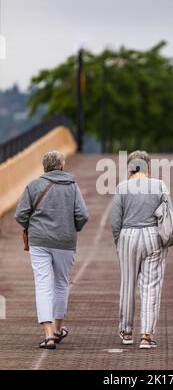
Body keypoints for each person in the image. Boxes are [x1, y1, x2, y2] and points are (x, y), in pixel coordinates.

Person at [15, 150, 89, 349]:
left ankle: (47, 336)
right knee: (61, 284)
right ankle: (58, 329)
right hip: (65, 242)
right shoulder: (72, 186)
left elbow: (20, 214)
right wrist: (72, 229)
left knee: (43, 285)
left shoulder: (33, 185)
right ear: (62, 166)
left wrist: (32, 226)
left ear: (44, 167)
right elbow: (82, 214)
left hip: (39, 241)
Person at [111, 150, 173, 349]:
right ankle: (146, 335)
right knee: (151, 286)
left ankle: (127, 331)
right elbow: (168, 215)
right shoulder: (159, 186)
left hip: (127, 236)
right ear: (149, 168)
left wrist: (118, 244)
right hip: (152, 236)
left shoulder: (122, 188)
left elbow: (115, 222)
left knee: (127, 284)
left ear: (129, 168)